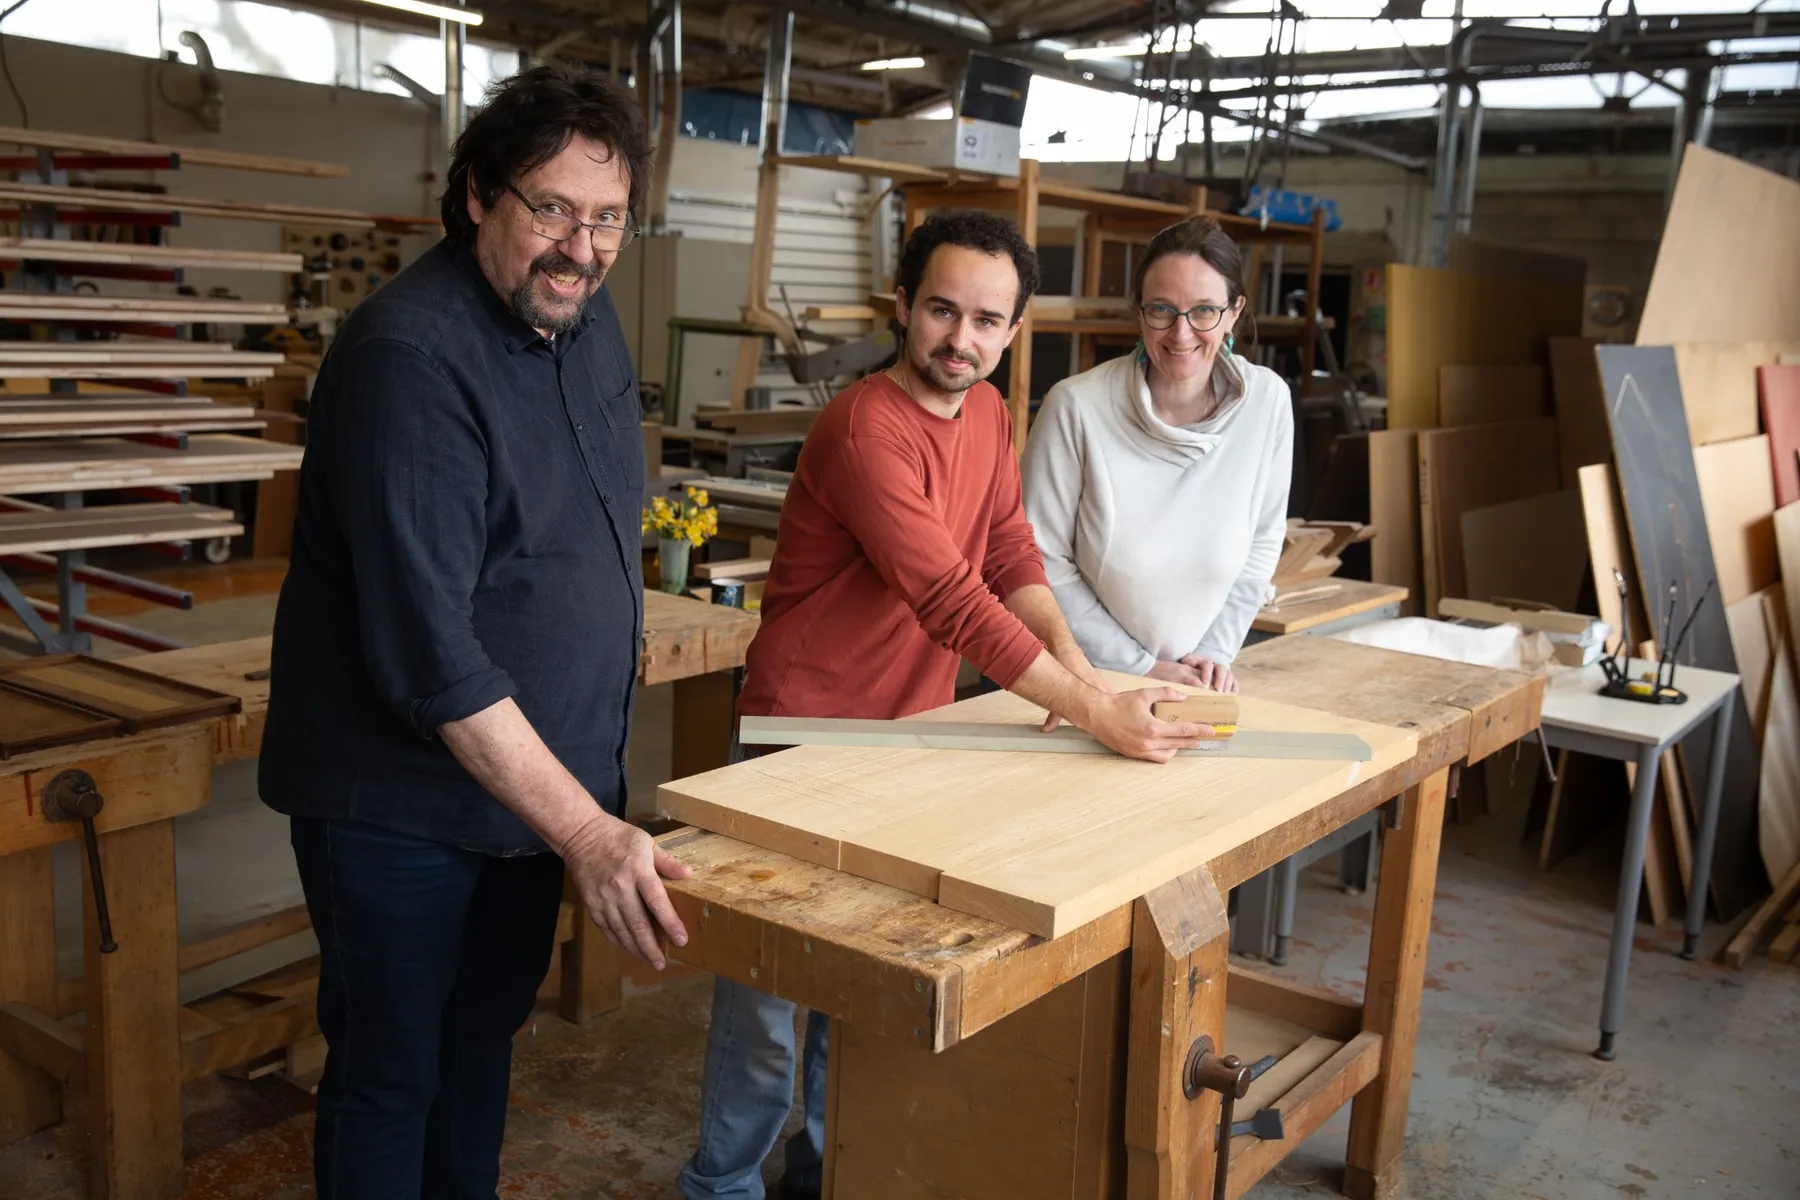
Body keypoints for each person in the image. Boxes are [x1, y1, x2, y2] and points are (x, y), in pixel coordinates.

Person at [678, 210, 1216, 1200]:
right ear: (902, 307)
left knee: (866, 1000)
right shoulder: (862, 427)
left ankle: (824, 1176)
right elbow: (949, 597)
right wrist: (1096, 713)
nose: (959, 340)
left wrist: (1080, 672)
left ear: (1014, 332)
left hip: (904, 746)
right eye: (940, 311)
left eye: (984, 321)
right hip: (799, 742)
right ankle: (722, 1186)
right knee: (768, 1005)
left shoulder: (992, 416)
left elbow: (1008, 548)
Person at [259, 64, 690, 1199]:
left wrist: (576, 808)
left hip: (527, 801)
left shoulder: (582, 328)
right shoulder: (411, 360)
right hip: (401, 811)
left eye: (606, 221)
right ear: (478, 199)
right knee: (393, 1073)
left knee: (480, 1046)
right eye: (550, 208)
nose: (580, 248)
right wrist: (592, 836)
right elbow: (430, 654)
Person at [1020, 216, 1294, 696]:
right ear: (1138, 310)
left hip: (1195, 682)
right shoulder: (1077, 407)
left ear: (1234, 312)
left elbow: (1264, 539)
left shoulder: (1267, 401)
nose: (1181, 334)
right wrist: (1137, 665)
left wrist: (1214, 653)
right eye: (1162, 310)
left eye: (1205, 311)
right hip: (1077, 676)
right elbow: (1038, 557)